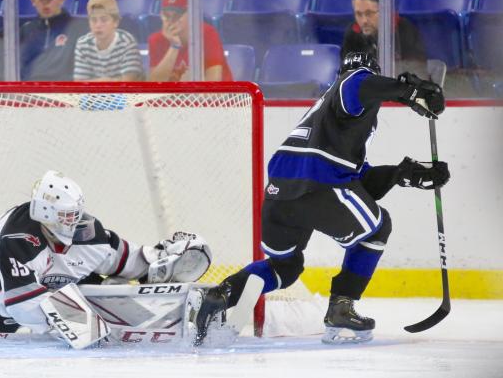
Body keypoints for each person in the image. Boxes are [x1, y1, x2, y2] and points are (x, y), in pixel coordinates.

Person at [193, 52, 450, 346]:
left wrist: (404, 175)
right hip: (318, 188)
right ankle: (342, 306)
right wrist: (410, 91)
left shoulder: (327, 119)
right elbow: (358, 84)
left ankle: (223, 293)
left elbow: (354, 183)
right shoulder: (350, 85)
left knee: (284, 267)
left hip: (279, 195)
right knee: (378, 228)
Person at [0, 170, 212, 338]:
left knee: (109, 284)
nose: (73, 221)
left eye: (75, 214)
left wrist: (159, 261)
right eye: (66, 216)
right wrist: (84, 324)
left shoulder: (88, 232)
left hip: (55, 287)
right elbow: (22, 308)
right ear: (45, 212)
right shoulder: (17, 240)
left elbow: (126, 261)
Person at [341, 0, 428, 77]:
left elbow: (417, 72)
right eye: (358, 14)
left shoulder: (404, 30)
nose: (364, 21)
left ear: (383, 11)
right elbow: (347, 73)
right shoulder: (352, 33)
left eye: (369, 13)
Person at [148, 0, 233, 82]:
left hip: (219, 95)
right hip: (178, 95)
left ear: (191, 14)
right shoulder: (156, 40)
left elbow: (214, 83)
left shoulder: (206, 33)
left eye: (177, 14)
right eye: (167, 15)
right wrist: (174, 46)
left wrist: (189, 86)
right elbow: (154, 85)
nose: (171, 20)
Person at [20, 0, 85, 81]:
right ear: (33, 0)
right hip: (29, 94)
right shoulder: (26, 30)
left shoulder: (77, 29)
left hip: (65, 94)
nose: (45, 3)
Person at [73, 0, 144, 81]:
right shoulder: (83, 44)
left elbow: (129, 81)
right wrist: (106, 81)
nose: (98, 25)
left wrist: (103, 82)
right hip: (92, 94)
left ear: (116, 22)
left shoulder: (127, 42)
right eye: (93, 20)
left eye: (104, 20)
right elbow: (79, 83)